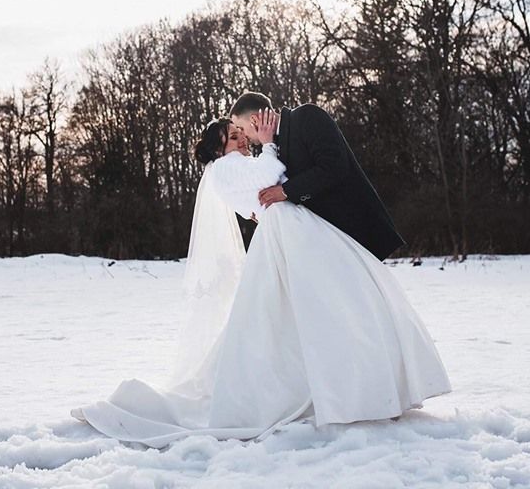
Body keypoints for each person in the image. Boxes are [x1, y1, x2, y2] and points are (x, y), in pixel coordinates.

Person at [71, 100, 451, 448]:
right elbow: (271, 175)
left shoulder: (245, 160)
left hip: (295, 230)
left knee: (317, 309)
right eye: (233, 136)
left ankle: (352, 387)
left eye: (239, 133)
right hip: (287, 232)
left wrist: (278, 176)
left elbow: (284, 181)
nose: (240, 140)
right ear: (218, 149)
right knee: (309, 310)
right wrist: (269, 145)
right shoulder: (226, 169)